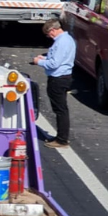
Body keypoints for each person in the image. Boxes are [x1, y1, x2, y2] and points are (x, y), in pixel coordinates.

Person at [32, 18, 76, 149]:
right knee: (61, 109)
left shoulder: (60, 43)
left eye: (48, 33)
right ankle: (60, 137)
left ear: (53, 30)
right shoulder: (66, 40)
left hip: (58, 79)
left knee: (60, 109)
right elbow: (58, 58)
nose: (49, 36)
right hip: (64, 77)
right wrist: (44, 58)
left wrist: (38, 62)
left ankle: (62, 139)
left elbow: (54, 64)